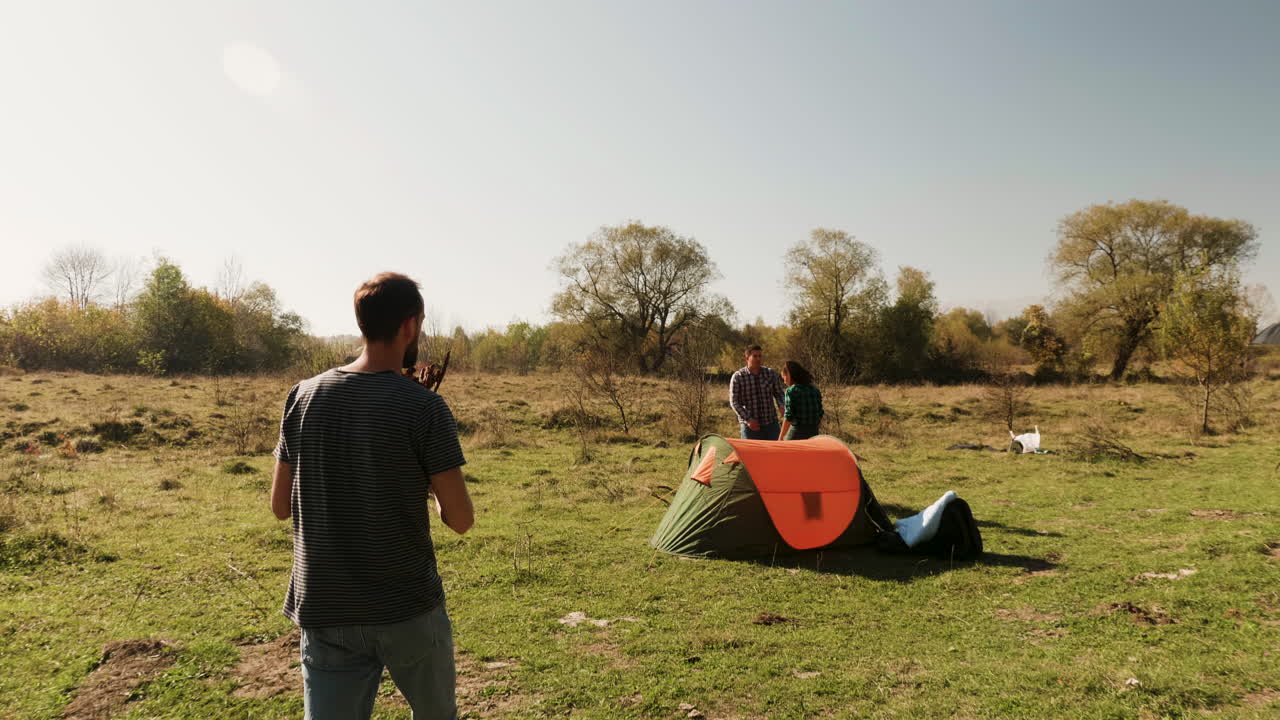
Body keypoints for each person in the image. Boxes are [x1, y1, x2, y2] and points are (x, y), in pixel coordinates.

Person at [270, 272, 474, 720]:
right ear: (410, 326)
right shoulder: (424, 407)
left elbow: (280, 506)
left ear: (361, 323)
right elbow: (459, 518)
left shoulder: (301, 396)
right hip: (406, 606)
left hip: (325, 606)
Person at [728, 345, 786, 440]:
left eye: (760, 356)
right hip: (750, 426)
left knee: (775, 452)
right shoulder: (738, 377)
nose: (758, 359)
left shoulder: (770, 374)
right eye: (755, 356)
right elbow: (734, 402)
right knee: (750, 454)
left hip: (771, 424)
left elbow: (779, 393)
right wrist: (748, 419)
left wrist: (782, 406)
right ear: (747, 358)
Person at [778, 360, 824, 440]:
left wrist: (781, 437)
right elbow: (820, 412)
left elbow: (788, 417)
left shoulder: (791, 391)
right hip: (814, 433)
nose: (784, 382)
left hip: (796, 433)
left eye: (784, 377)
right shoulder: (815, 390)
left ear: (789, 375)